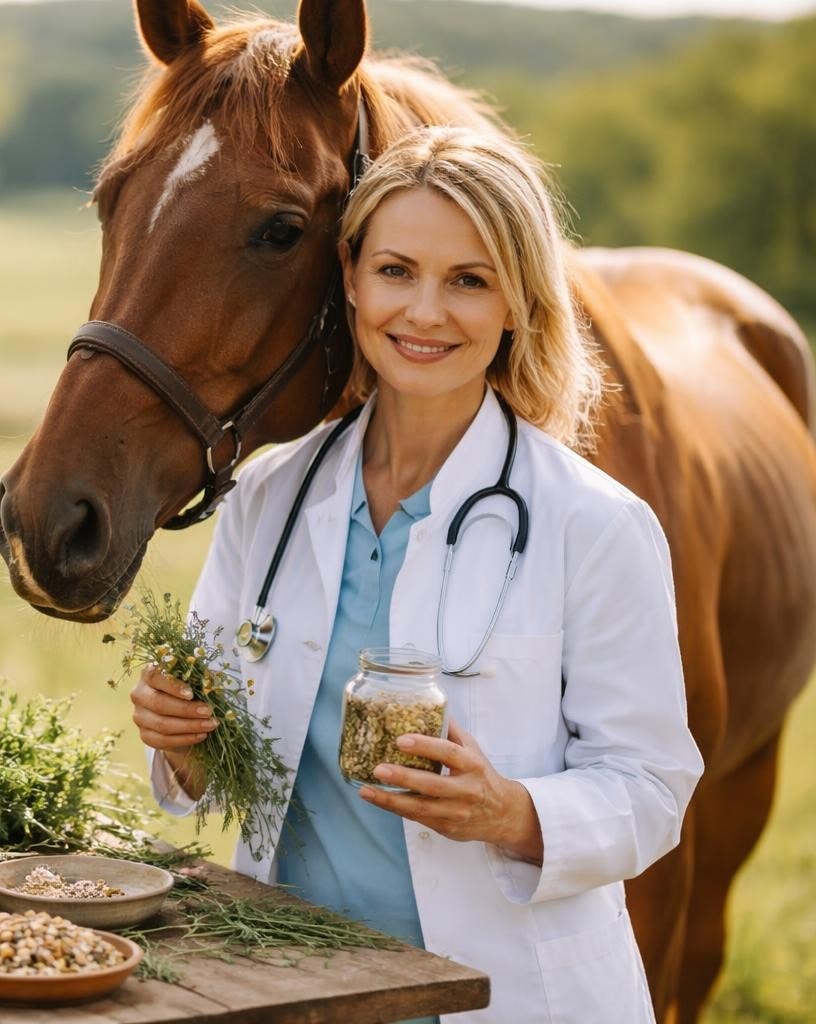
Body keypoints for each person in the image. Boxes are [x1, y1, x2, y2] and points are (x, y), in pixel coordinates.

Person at [132, 126, 703, 1023]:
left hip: (499, 995)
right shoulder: (269, 500)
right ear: (351, 278)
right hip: (287, 980)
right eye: (396, 271)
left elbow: (652, 786)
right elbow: (212, 767)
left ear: (518, 303)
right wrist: (180, 736)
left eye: (468, 281)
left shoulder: (593, 525)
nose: (425, 313)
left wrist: (509, 811)